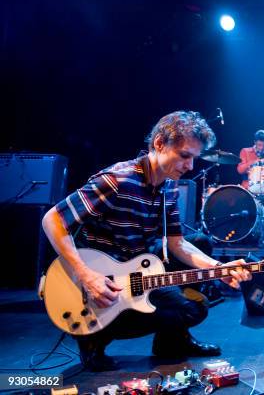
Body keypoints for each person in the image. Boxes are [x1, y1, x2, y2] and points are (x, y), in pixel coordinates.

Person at [41, 111, 252, 371]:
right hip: (95, 282)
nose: (190, 166)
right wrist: (85, 275)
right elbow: (52, 220)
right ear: (160, 143)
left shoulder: (170, 187)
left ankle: (171, 343)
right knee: (170, 302)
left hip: (133, 269)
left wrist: (218, 268)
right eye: (185, 156)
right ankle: (93, 337)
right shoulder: (117, 180)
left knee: (194, 305)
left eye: (194, 158)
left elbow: (178, 245)